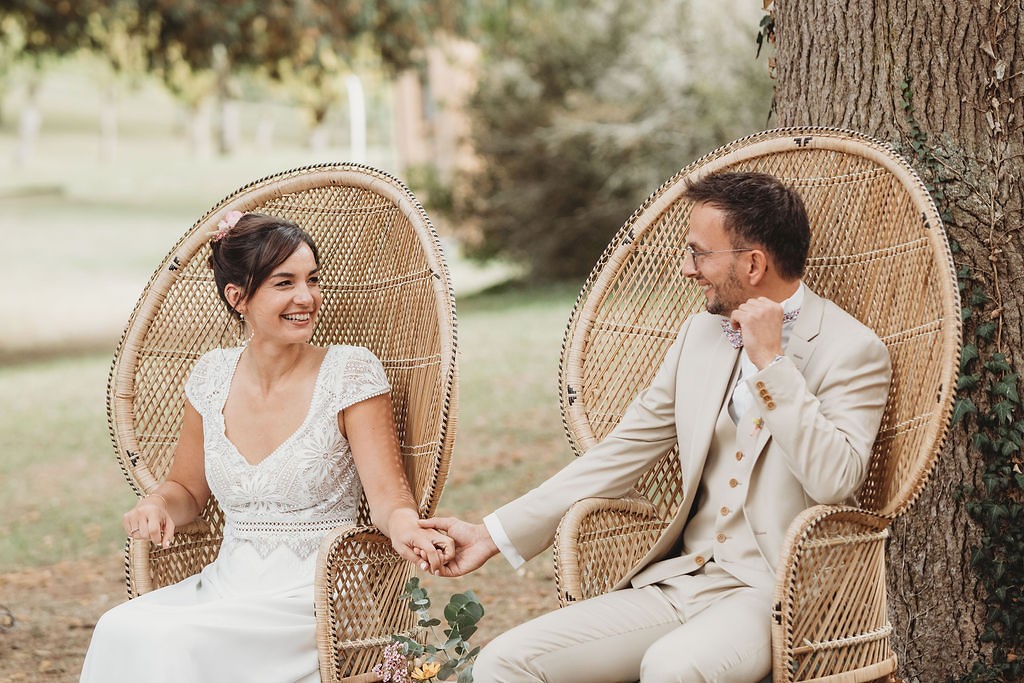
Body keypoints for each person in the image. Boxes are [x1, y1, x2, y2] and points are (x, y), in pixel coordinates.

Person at [422, 171, 893, 682]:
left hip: (780, 592)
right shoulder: (699, 336)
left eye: (699, 253)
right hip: (684, 580)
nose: (686, 268)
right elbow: (619, 454)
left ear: (753, 263)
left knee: (671, 668)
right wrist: (492, 535)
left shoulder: (852, 350)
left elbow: (836, 479)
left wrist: (773, 363)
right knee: (505, 662)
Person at [81, 212, 452, 683]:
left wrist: (406, 528)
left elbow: (388, 498)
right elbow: (187, 492)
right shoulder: (211, 376)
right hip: (226, 584)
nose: (307, 297)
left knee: (174, 641)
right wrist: (156, 504)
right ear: (238, 297)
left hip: (314, 595)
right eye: (284, 282)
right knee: (119, 626)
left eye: (312, 279)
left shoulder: (350, 373)